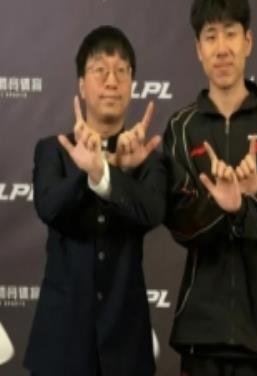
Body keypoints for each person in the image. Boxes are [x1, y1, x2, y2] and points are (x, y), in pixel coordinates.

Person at [162, 0, 257, 376]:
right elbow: (177, 221)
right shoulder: (181, 127)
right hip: (201, 328)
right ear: (198, 49)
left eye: (230, 33)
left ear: (248, 41)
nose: (222, 48)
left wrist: (244, 207)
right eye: (211, 36)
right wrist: (221, 205)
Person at [24, 25, 166, 376]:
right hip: (61, 345)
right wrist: (87, 172)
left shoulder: (147, 157)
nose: (111, 81)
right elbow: (49, 207)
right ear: (81, 84)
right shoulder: (54, 149)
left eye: (121, 71)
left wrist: (109, 174)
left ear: (132, 84)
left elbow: (152, 212)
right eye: (100, 69)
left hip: (126, 346)